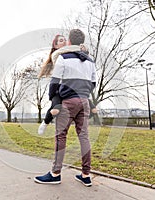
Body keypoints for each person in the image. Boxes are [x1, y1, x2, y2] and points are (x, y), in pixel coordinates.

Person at [34, 29, 97, 187]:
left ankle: (55, 173)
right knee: (84, 137)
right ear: (81, 42)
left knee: (61, 136)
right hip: (84, 101)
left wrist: (55, 100)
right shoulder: (90, 61)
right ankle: (86, 174)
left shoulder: (63, 57)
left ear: (69, 42)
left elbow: (55, 82)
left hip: (68, 101)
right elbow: (93, 83)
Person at [37, 35, 97, 135]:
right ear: (55, 45)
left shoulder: (69, 53)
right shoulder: (58, 55)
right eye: (61, 41)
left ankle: (91, 108)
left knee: (83, 99)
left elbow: (79, 58)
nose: (64, 42)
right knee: (55, 108)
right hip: (58, 87)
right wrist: (81, 49)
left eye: (65, 40)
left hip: (70, 87)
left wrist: (84, 52)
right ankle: (45, 122)